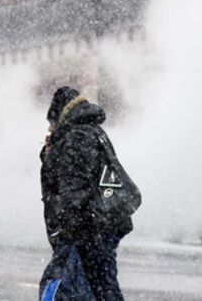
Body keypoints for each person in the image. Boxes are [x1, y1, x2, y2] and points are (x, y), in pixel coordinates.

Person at [40, 86, 132, 301]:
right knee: (102, 286)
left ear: (60, 115)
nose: (49, 128)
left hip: (89, 229)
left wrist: (69, 231)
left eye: (51, 122)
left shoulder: (78, 137)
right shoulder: (92, 132)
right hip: (100, 224)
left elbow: (75, 190)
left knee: (91, 286)